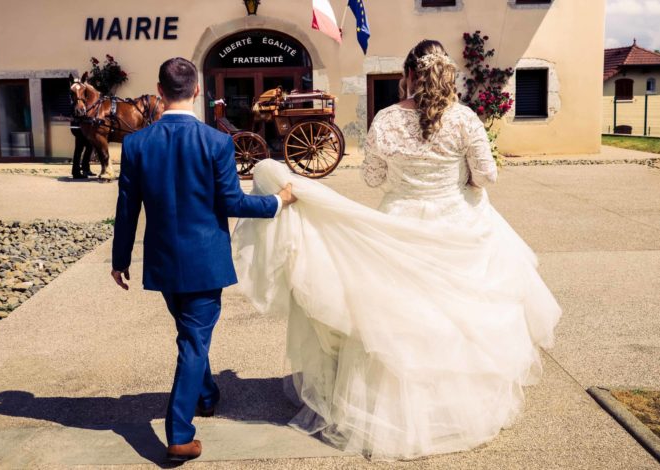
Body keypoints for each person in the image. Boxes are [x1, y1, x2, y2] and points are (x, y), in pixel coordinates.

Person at [233, 40, 561, 460]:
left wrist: (406, 181)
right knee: (460, 315)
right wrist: (463, 182)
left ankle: (387, 406)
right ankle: (455, 406)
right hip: (459, 222)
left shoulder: (386, 119)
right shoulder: (464, 119)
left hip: (401, 219)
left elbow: (372, 178)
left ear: (408, 76)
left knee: (401, 315)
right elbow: (486, 175)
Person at [110, 57, 296, 462]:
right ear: (197, 91)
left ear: (159, 92)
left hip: (161, 260)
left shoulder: (136, 143)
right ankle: (178, 432)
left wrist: (120, 259)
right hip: (204, 261)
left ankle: (207, 394)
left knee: (192, 334)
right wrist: (277, 203)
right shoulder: (216, 142)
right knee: (193, 341)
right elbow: (232, 202)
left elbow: (127, 208)